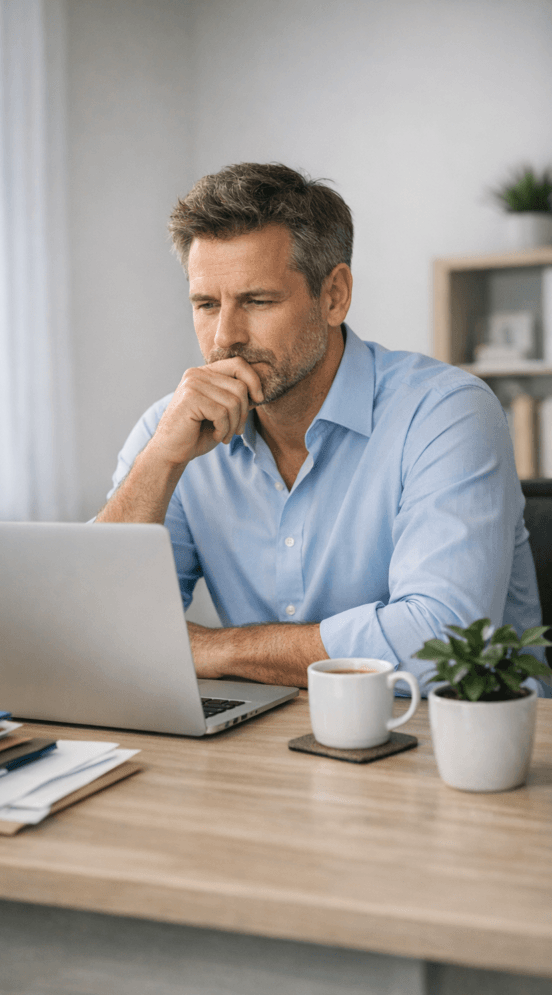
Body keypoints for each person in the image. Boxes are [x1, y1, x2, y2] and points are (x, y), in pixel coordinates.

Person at [96, 162, 541, 691]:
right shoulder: (172, 428)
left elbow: (437, 643)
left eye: (257, 301)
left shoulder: (447, 413)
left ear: (334, 295)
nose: (225, 336)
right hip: (270, 739)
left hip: (453, 743)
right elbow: (97, 626)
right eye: (206, 304)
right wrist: (159, 462)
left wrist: (213, 649)